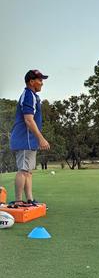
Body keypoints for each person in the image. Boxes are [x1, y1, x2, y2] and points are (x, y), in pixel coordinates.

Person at [9, 69, 51, 207]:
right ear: (31, 82)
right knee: (23, 170)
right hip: (24, 138)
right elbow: (28, 119)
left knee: (28, 171)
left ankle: (29, 199)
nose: (42, 83)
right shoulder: (28, 95)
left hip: (29, 140)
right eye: (39, 80)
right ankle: (18, 201)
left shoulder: (32, 95)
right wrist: (41, 138)